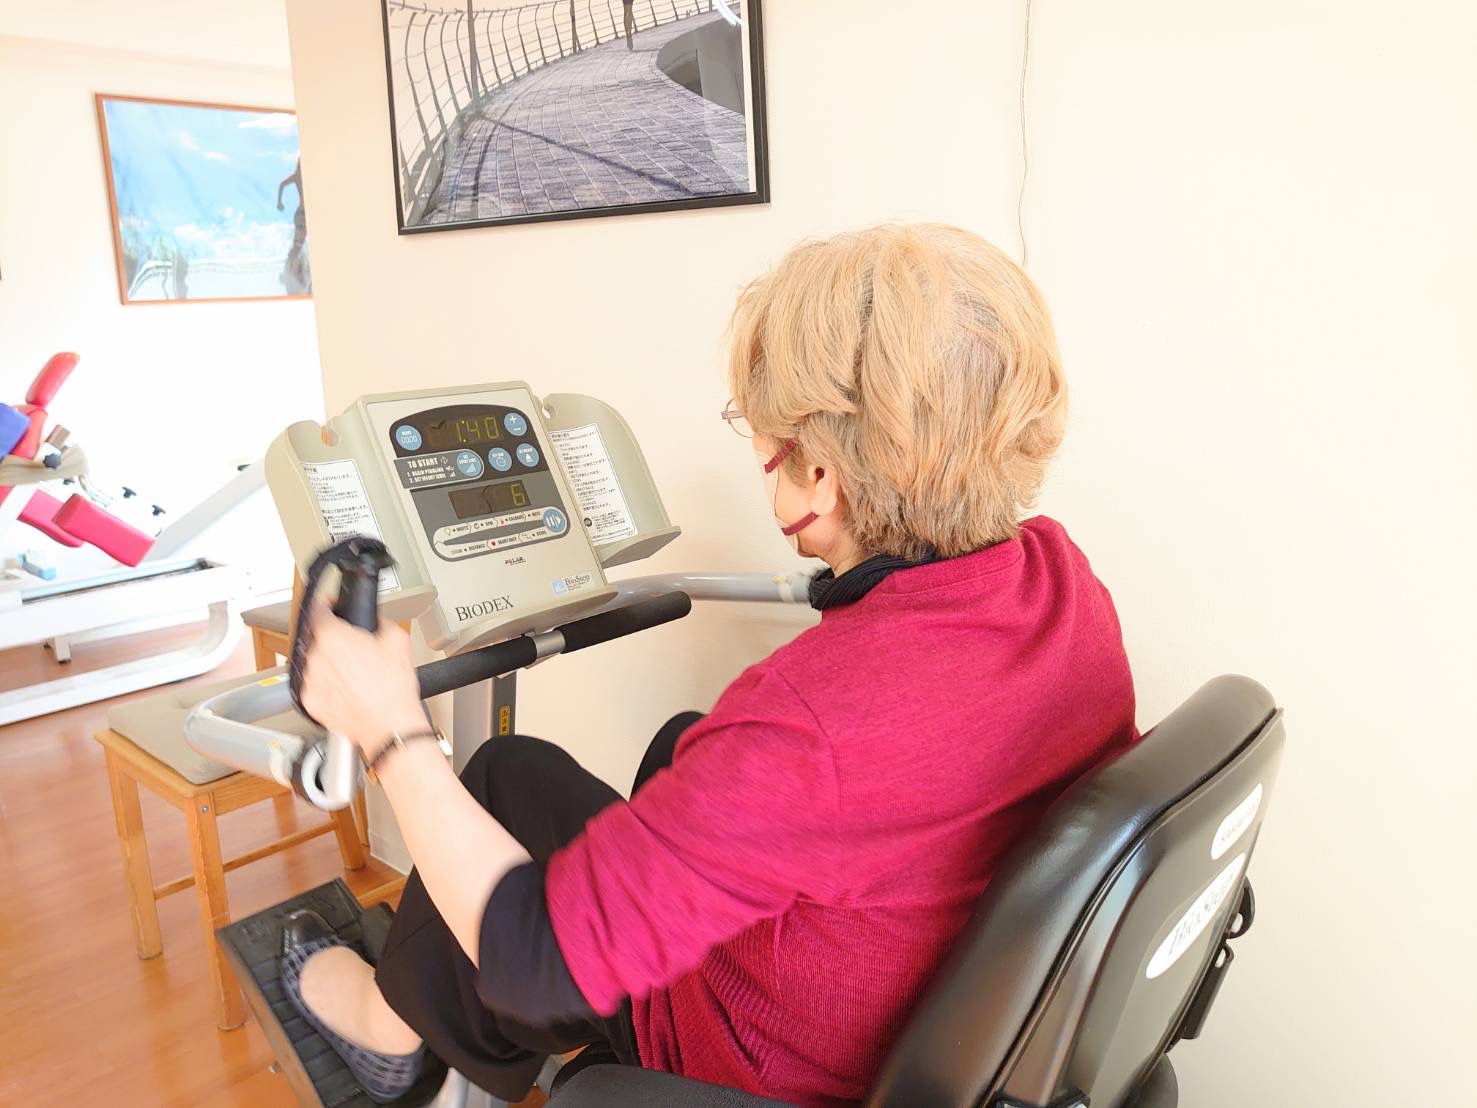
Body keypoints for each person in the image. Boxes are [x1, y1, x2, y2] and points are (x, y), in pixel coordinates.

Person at [282, 224, 1140, 1106]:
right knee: (680, 745)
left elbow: (531, 961)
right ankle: (448, 1006)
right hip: (930, 999)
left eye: (763, 437)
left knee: (502, 778)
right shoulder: (1059, 580)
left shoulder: (805, 722)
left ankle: (389, 1034)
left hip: (757, 1066)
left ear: (819, 475)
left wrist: (389, 729)